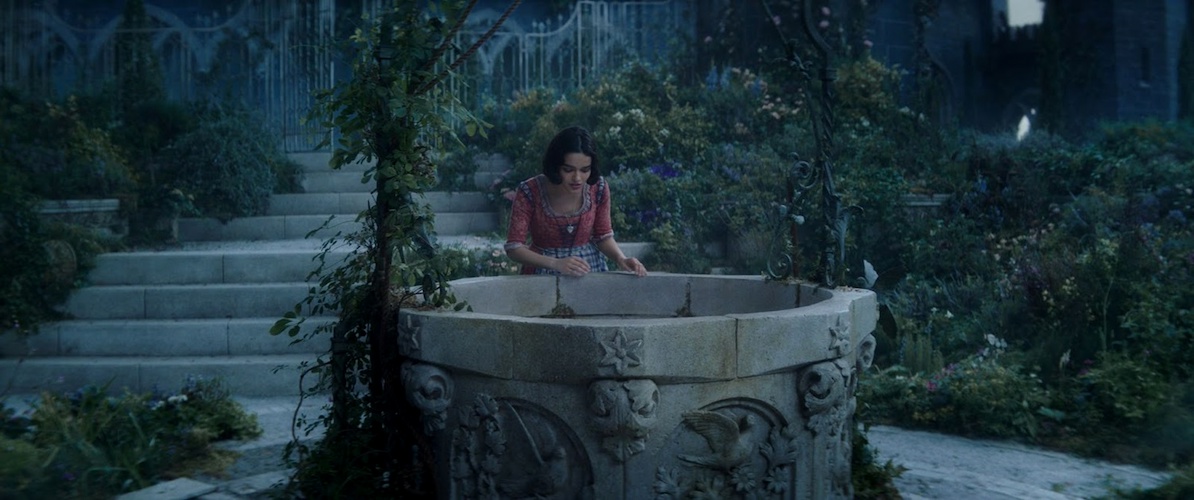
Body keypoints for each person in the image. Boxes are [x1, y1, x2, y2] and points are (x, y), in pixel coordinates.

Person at [504, 126, 648, 277]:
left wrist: (621, 258)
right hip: (542, 272)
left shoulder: (598, 188)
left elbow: (603, 236)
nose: (577, 178)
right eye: (568, 170)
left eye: (585, 170)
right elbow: (514, 248)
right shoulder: (530, 191)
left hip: (589, 270)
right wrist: (556, 263)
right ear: (555, 166)